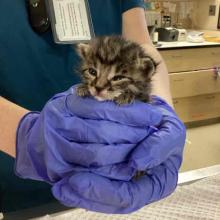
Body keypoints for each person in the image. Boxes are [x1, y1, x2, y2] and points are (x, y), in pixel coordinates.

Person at [0, 0, 185, 214]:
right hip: (17, 177)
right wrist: (25, 136)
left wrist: (161, 113)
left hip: (120, 172)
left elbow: (141, 45)